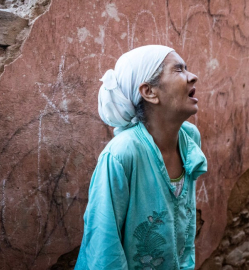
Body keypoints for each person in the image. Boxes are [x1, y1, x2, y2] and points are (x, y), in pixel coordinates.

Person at [75, 45, 207, 270]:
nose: (192, 76)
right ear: (149, 92)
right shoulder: (121, 154)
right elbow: (104, 246)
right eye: (179, 70)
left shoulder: (189, 138)